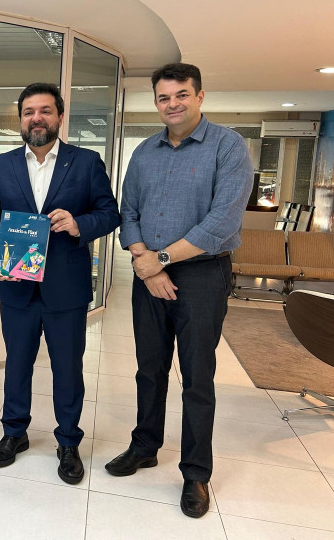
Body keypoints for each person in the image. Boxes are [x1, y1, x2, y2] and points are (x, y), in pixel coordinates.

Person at [105, 63, 253, 517]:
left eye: (181, 95)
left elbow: (222, 221)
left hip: (204, 276)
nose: (173, 104)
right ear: (156, 102)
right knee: (149, 369)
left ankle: (195, 473)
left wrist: (161, 260)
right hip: (148, 273)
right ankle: (145, 444)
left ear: (200, 96)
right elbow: (126, 213)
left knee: (197, 377)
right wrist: (146, 266)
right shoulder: (144, 152)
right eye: (164, 97)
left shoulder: (228, 147)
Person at [0, 82, 119, 485]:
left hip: (66, 288)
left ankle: (68, 442)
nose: (36, 118)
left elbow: (110, 213)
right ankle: (14, 433)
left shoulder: (86, 162)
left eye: (44, 110)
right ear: (20, 119)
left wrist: (80, 223)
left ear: (59, 116)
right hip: (17, 284)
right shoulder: (2, 165)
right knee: (16, 363)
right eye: (28, 112)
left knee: (67, 368)